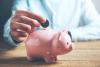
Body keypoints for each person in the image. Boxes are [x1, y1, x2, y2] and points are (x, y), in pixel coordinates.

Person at [3, 0, 100, 48]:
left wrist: (67, 35)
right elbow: (13, 20)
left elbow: (98, 27)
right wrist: (13, 34)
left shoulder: (81, 1)